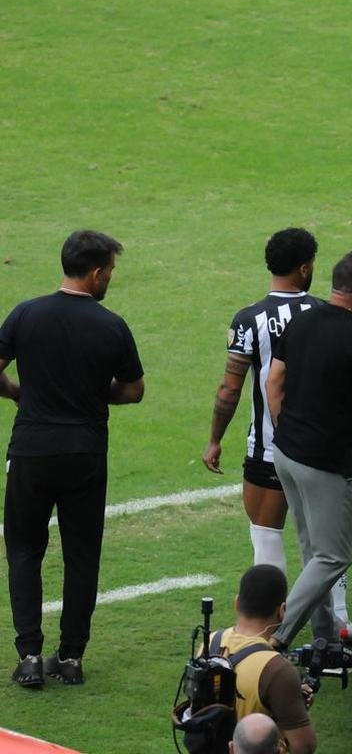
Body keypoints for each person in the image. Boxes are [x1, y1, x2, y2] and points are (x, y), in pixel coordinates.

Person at [201, 228, 352, 643]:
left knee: (267, 541)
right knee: (327, 546)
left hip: (269, 450)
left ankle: (266, 634)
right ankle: (337, 623)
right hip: (324, 450)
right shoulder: (328, 313)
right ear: (306, 267)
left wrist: (215, 437)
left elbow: (230, 389)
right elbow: (348, 383)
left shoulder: (249, 319)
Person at [0, 230, 145, 688]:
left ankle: (28, 656)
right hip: (84, 453)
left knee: (24, 551)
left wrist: (21, 393)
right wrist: (95, 395)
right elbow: (134, 389)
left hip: (32, 450)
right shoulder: (111, 324)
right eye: (111, 273)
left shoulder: (26, 314)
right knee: (82, 555)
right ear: (97, 272)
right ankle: (71, 658)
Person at [265, 250, 352, 670]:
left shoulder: (302, 320)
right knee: (333, 557)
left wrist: (289, 430)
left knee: (313, 553)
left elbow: (274, 382)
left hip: (286, 454)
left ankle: (324, 645)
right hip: (323, 464)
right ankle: (273, 640)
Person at [211, 566, 315, 754]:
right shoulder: (277, 669)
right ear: (282, 610)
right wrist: (293, 709)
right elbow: (304, 746)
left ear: (237, 603)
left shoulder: (209, 642)